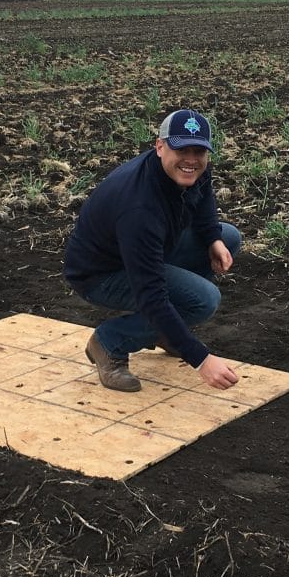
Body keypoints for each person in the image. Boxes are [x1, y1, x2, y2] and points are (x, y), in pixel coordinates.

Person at [64, 108, 242, 392]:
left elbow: (204, 192)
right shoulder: (139, 207)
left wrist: (213, 238)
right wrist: (200, 359)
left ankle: (164, 332)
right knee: (202, 301)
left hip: (143, 250)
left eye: (199, 152)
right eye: (182, 149)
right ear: (159, 147)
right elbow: (151, 294)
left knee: (228, 237)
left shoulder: (191, 168)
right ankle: (110, 341)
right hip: (100, 273)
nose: (192, 160)